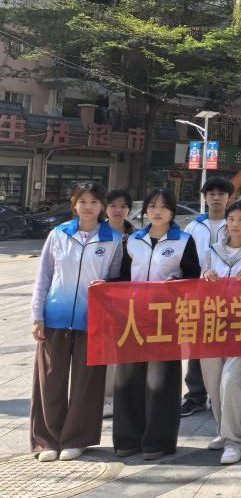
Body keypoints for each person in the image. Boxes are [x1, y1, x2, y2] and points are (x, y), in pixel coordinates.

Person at [30, 183, 122, 462]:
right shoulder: (59, 234)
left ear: (102, 205)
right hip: (55, 318)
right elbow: (44, 276)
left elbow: (116, 279)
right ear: (74, 203)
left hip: (93, 320)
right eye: (82, 201)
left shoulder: (113, 239)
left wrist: (107, 288)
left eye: (94, 201)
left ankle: (77, 439)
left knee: (87, 383)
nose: (88, 207)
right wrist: (37, 315)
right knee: (50, 380)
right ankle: (47, 440)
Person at [114, 188, 201, 459]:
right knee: (128, 379)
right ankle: (128, 440)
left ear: (172, 211)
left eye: (163, 206)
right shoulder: (133, 240)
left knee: (161, 381)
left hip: (167, 320)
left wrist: (177, 285)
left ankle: (158, 441)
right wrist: (104, 285)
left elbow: (193, 277)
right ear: (145, 211)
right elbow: (123, 277)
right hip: (134, 318)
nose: (157, 211)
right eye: (152, 206)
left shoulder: (184, 241)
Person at [199, 200, 241, 465]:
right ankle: (222, 430)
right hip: (212, 321)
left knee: (231, 380)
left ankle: (234, 441)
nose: (235, 224)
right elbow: (200, 282)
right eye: (231, 219)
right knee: (213, 382)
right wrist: (206, 276)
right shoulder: (212, 251)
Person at [181, 175, 235, 418]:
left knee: (224, 343)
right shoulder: (194, 226)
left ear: (229, 198)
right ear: (204, 197)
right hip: (198, 295)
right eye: (211, 194)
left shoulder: (235, 222)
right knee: (197, 345)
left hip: (228, 296)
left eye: (221, 194)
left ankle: (219, 395)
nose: (216, 198)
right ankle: (195, 396)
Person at [101, 189, 136, 420]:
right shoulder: (97, 233)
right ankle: (105, 397)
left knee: (125, 347)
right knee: (106, 348)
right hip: (102, 297)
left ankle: (122, 395)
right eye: (113, 205)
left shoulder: (137, 236)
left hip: (131, 299)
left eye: (123, 206)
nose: (118, 210)